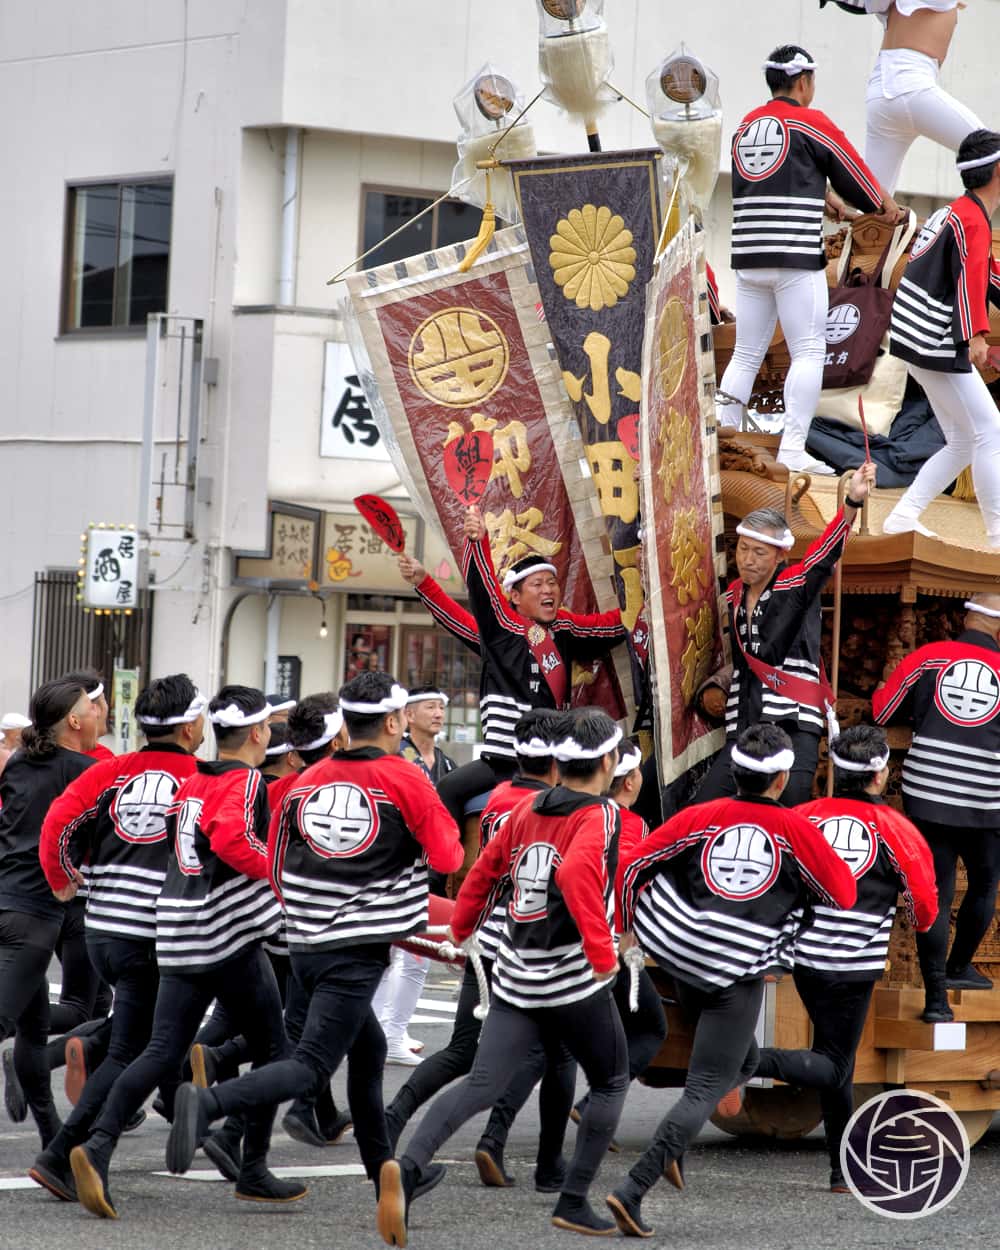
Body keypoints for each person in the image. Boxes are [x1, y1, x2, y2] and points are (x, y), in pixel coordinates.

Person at [163, 672, 464, 1215]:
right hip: (356, 948)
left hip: (302, 942)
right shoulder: (406, 778)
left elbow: (275, 860)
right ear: (395, 722)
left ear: (346, 725)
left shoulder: (305, 780)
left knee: (369, 1051)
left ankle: (388, 1178)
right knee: (310, 1066)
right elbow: (447, 859)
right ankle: (207, 1104)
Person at [377, 709, 629, 1243]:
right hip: (570, 978)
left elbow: (483, 871)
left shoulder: (529, 806)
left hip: (515, 973)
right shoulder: (601, 816)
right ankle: (573, 1199)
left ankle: (411, 1164)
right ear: (608, 761)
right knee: (610, 1078)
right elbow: (579, 873)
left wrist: (462, 928)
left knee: (482, 1082)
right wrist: (604, 957)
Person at [608, 724, 856, 1237]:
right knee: (705, 1087)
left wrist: (631, 930)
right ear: (783, 776)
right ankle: (633, 1189)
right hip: (736, 974)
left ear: (736, 771)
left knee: (738, 1061)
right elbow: (844, 895)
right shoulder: (795, 831)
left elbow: (632, 870)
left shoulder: (700, 817)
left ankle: (675, 1146)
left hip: (682, 960)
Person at [69, 685, 293, 1219]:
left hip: (176, 931)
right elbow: (235, 841)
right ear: (260, 733)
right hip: (228, 935)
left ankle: (96, 1147)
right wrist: (282, 873)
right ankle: (254, 1166)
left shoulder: (192, 781)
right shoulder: (246, 781)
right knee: (277, 1051)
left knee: (159, 1050)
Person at [29, 674, 206, 1203]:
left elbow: (57, 826)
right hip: (156, 932)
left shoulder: (109, 772)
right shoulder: (201, 780)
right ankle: (66, 1152)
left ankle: (79, 1146)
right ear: (192, 725)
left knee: (139, 1040)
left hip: (102, 926)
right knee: (138, 1047)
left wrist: (64, 879)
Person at [384, 711, 574, 1194]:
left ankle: (396, 1114)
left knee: (465, 1050)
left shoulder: (495, 801)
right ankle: (535, 1159)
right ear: (556, 760)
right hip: (529, 944)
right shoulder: (550, 807)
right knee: (555, 1054)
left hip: (484, 940)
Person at [753, 725, 937, 1192]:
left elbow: (773, 877)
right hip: (855, 963)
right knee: (836, 1061)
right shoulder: (896, 828)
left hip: (806, 959)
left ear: (837, 771)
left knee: (837, 1059)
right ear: (880, 774)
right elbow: (925, 907)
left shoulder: (803, 816)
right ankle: (750, 1061)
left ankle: (842, 1169)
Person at [718, 44, 899, 472]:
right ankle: (793, 449)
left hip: (748, 257)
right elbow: (859, 181)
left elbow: (783, 174)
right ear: (804, 82)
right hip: (794, 258)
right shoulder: (811, 122)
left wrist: (827, 198)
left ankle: (722, 440)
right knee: (809, 351)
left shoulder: (745, 127)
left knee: (746, 354)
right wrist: (883, 205)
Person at [407, 508, 629, 832]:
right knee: (446, 791)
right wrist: (473, 544)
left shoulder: (564, 627)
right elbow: (472, 603)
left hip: (551, 760)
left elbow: (609, 628)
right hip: (501, 759)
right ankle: (440, 878)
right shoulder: (501, 628)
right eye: (537, 584)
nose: (548, 591)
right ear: (514, 596)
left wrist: (643, 602)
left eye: (552, 583)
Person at [696, 460, 876, 806]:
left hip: (791, 721)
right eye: (742, 548)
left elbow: (822, 559)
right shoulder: (733, 593)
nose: (747, 559)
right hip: (743, 725)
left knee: (788, 812)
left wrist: (852, 502)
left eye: (759, 552)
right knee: (706, 808)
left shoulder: (794, 584)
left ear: (781, 554)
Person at [873, 593, 1000, 1020]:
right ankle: (960, 967)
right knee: (984, 885)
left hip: (926, 792)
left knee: (936, 890)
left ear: (966, 618)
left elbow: (882, 709)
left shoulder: (928, 657)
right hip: (987, 798)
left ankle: (936, 1002)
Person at [882, 129, 1000, 545]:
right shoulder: (973, 219)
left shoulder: (957, 212)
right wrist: (977, 336)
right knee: (991, 429)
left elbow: (981, 271)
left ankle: (902, 516)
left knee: (965, 439)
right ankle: (997, 535)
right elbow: (970, 280)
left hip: (914, 334)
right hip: (935, 337)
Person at [0, 678, 99, 1147]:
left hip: (8, 900)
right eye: (92, 708)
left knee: (34, 1030)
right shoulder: (85, 771)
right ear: (75, 721)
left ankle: (54, 1143)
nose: (101, 714)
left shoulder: (21, 760)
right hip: (33, 916)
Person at [376, 686, 459, 1065]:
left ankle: (390, 1030)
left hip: (427, 866)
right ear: (407, 716)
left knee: (411, 955)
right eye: (430, 707)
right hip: (397, 864)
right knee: (395, 952)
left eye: (442, 707)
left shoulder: (445, 763)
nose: (439, 713)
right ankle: (388, 1032)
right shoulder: (398, 759)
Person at [862, 0, 982, 194]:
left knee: (874, 200)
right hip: (911, 86)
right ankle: (965, 220)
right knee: (990, 151)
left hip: (881, 93)